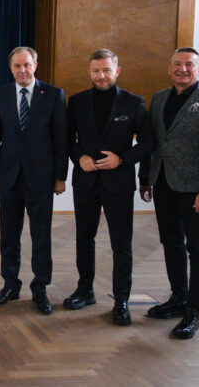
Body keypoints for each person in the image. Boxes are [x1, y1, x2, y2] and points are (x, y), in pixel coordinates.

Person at [139, 47, 199, 339]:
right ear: (169, 68)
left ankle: (194, 311)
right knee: (172, 243)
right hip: (164, 185)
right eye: (177, 64)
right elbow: (152, 143)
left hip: (196, 192)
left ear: (198, 69)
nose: (182, 69)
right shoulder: (160, 98)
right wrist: (146, 179)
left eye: (189, 65)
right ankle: (178, 299)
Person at [64, 49, 152, 325]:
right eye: (95, 71)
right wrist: (80, 157)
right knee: (83, 239)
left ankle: (121, 300)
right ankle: (85, 289)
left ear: (117, 71)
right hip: (86, 182)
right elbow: (67, 140)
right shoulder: (76, 102)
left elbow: (148, 143)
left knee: (121, 244)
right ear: (89, 72)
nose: (100, 76)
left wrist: (122, 159)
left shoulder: (133, 103)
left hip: (119, 183)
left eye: (106, 70)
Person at [0, 46, 67, 314]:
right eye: (17, 66)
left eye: (26, 65)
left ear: (35, 65)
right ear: (11, 69)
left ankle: (40, 288)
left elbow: (61, 139)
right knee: (9, 236)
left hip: (42, 179)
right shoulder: (0, 95)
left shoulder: (53, 95)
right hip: (9, 177)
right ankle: (10, 285)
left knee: (40, 236)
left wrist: (60, 177)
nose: (22, 70)